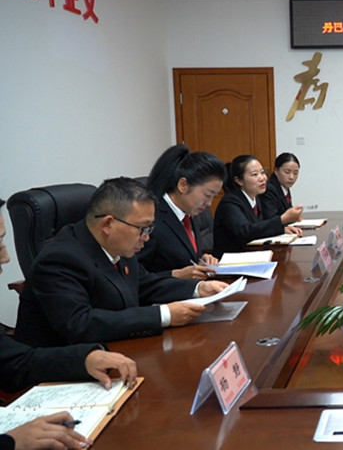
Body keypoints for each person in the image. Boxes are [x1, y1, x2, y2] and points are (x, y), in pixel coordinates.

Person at [14, 177, 228, 347]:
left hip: (118, 350)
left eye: (150, 228)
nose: (147, 237)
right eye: (142, 228)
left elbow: (143, 284)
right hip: (63, 371)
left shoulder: (118, 245)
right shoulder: (60, 259)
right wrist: (164, 315)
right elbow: (80, 324)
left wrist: (198, 289)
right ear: (108, 224)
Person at [0, 197, 138, 450]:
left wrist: (85, 359)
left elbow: (16, 362)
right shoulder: (61, 255)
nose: (6, 257)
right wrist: (9, 442)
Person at [137, 144, 226, 280]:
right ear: (183, 185)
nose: (209, 203)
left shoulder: (188, 213)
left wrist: (201, 260)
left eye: (214, 196)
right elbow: (134, 276)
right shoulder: (152, 218)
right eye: (207, 195)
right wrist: (176, 275)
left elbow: (181, 257)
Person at [213, 155, 303, 257]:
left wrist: (282, 230)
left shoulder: (255, 198)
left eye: (262, 172)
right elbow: (246, 231)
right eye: (255, 174)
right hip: (232, 259)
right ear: (239, 181)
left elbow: (259, 226)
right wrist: (282, 219)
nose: (262, 178)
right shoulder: (230, 202)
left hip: (250, 254)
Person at [258, 152, 300, 218]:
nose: (291, 177)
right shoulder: (268, 189)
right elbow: (271, 218)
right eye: (287, 172)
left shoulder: (284, 186)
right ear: (276, 171)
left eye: (295, 173)